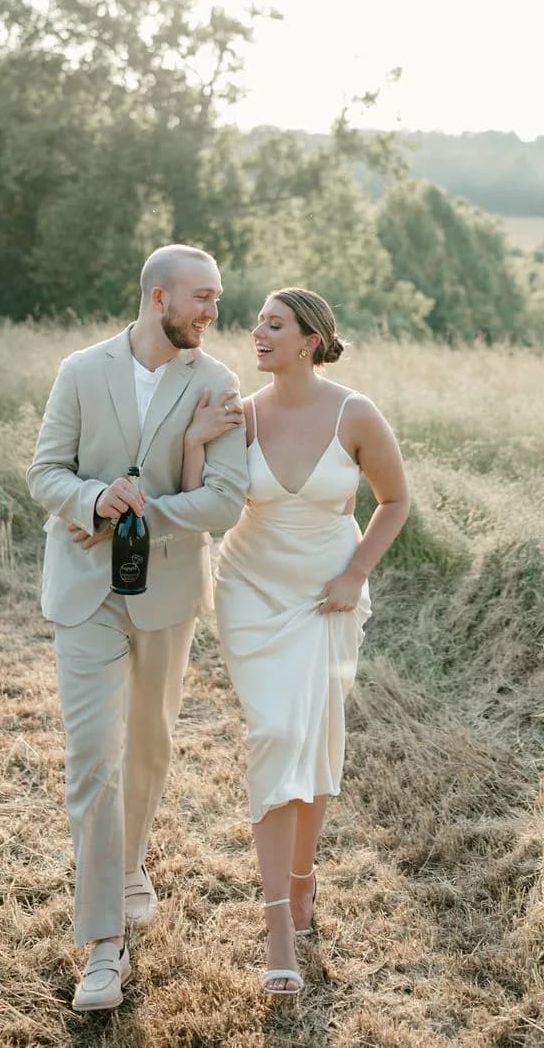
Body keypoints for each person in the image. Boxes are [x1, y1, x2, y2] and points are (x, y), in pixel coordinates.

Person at [26, 244, 248, 1012]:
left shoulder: (217, 383)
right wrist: (93, 500)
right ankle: (103, 944)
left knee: (147, 749)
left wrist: (142, 511)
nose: (213, 312)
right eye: (202, 297)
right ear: (159, 296)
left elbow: (225, 498)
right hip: (85, 590)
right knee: (93, 757)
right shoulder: (80, 370)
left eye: (215, 299)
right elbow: (43, 473)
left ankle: (127, 867)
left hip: (168, 592)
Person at [181, 287, 409, 996]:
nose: (258, 332)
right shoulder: (241, 416)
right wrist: (195, 443)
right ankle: (279, 922)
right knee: (277, 730)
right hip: (250, 590)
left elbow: (395, 499)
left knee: (315, 737)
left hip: (328, 594)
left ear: (311, 338)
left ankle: (303, 878)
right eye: (258, 322)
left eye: (274, 324)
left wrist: (354, 573)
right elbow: (204, 505)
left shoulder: (356, 413)